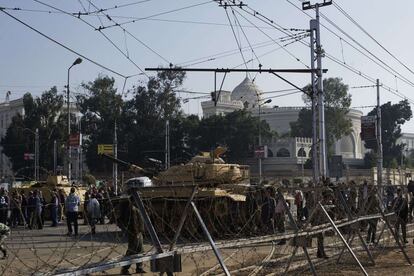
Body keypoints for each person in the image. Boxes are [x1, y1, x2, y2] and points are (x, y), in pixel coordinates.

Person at [116, 197, 145, 275]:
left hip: (137, 233)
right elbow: (134, 222)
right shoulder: (132, 210)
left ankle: (139, 267)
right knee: (131, 251)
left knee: (140, 250)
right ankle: (124, 269)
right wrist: (136, 234)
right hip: (135, 233)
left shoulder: (133, 208)